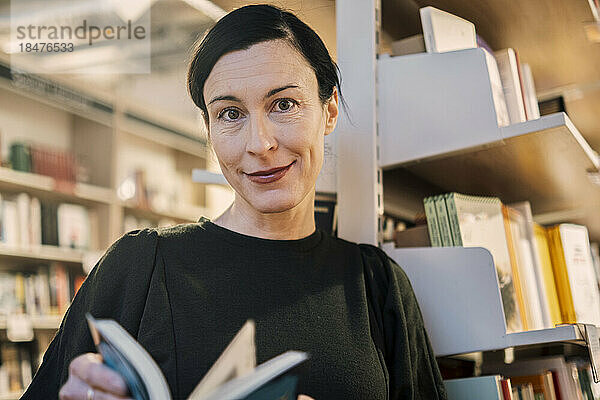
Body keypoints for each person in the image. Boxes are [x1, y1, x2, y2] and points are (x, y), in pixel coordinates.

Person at [22, 4, 447, 400]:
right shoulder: (141, 265)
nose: (259, 144)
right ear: (209, 129)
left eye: (284, 104)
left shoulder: (377, 285)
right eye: (230, 113)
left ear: (329, 110)